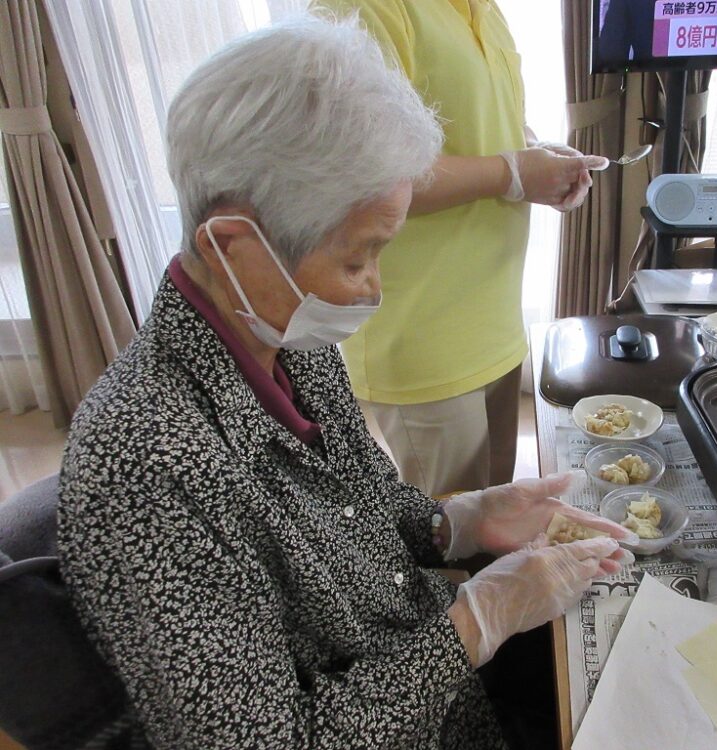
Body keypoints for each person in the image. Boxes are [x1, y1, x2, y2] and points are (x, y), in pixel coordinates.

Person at [58, 18, 634, 750]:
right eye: (358, 259)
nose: (372, 290)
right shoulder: (142, 469)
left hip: (441, 691)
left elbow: (360, 502)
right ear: (233, 244)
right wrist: (472, 624)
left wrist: (457, 522)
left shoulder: (286, 336)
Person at [314, 0, 610, 497]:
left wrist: (537, 158)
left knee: (496, 515)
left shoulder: (484, 9)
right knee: (453, 540)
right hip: (420, 330)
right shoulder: (360, 8)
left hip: (495, 318)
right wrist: (512, 173)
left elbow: (486, 125)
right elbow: (367, 175)